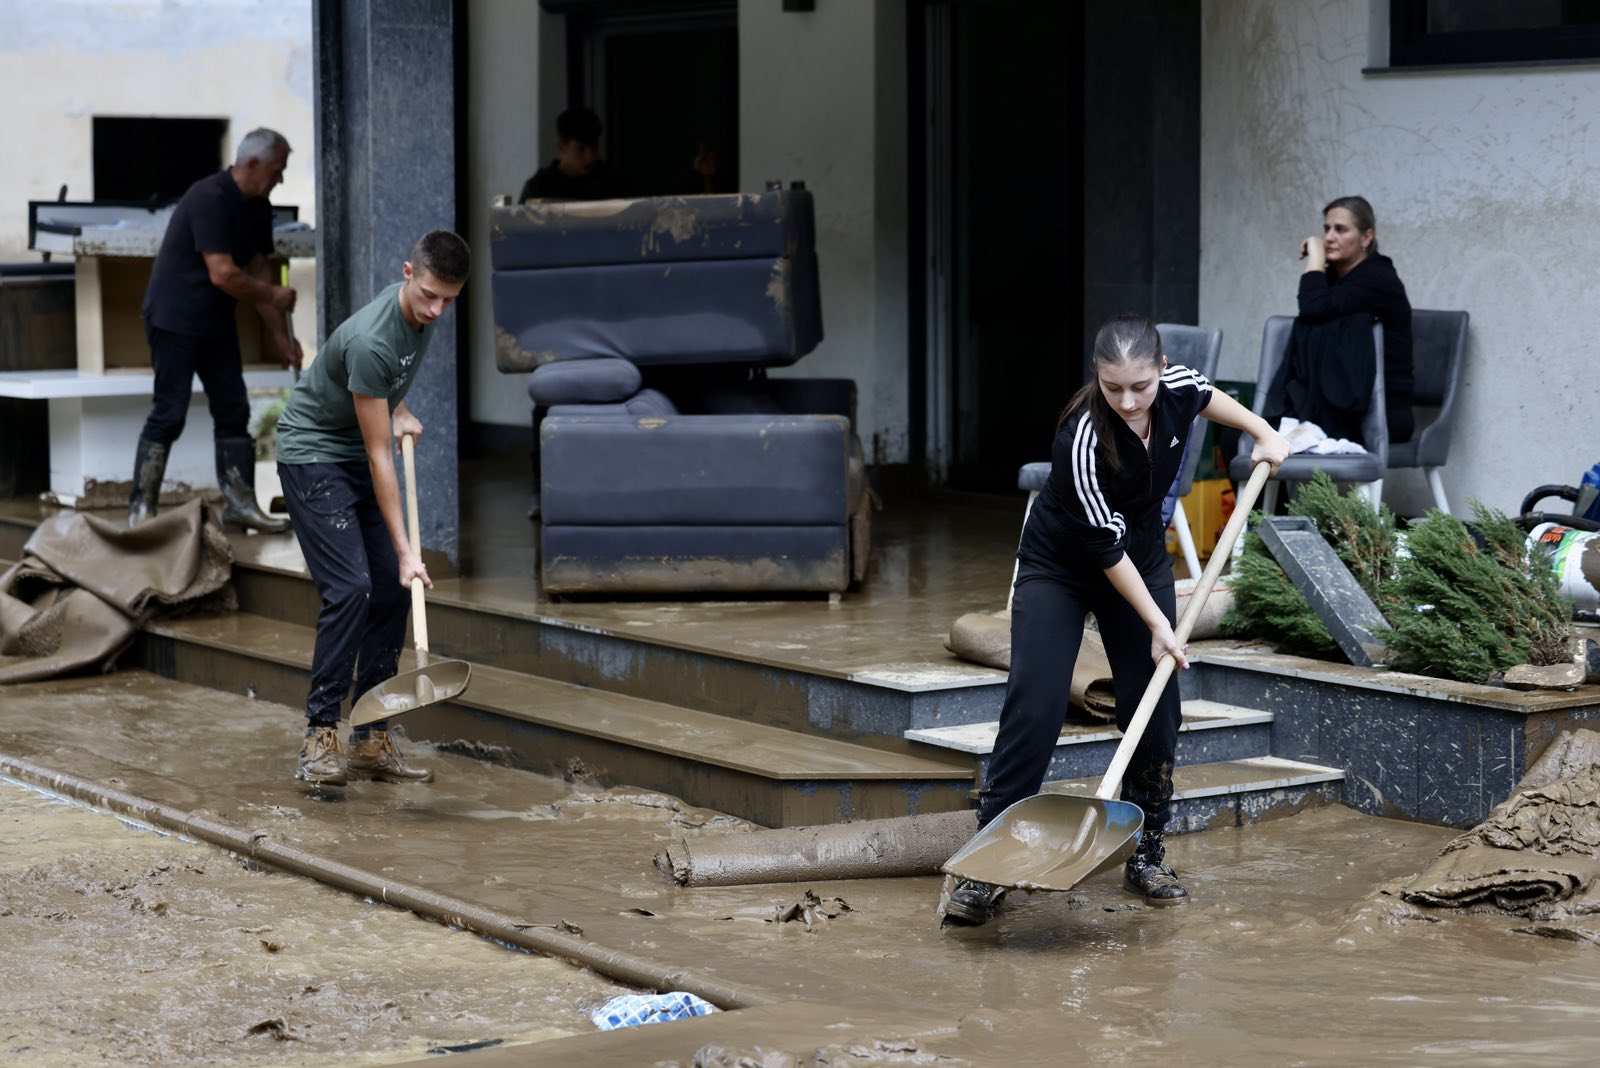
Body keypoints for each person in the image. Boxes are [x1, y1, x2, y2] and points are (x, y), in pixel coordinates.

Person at [942, 316, 1290, 926]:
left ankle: (1147, 850)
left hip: (1144, 554)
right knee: (1037, 699)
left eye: (1140, 387)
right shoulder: (1079, 437)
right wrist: (1161, 622)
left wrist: (1263, 432)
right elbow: (1104, 550)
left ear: (1159, 369)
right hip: (1063, 565)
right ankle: (985, 863)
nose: (1128, 401)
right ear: (1096, 378)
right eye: (1113, 388)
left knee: (1156, 703)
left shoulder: (1178, 386)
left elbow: (1208, 398)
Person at [273, 229, 471, 789]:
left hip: (352, 446)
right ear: (409, 272)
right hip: (313, 456)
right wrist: (409, 549)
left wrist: (398, 407)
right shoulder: (372, 339)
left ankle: (370, 735)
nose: (436, 310)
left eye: (448, 300)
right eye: (429, 294)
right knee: (352, 588)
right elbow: (379, 457)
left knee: (387, 586)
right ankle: (319, 735)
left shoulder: (417, 317)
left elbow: (388, 383)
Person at [130, 127, 302, 532]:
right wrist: (274, 296)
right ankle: (141, 509)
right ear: (252, 164)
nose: (280, 178)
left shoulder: (257, 206)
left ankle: (240, 504)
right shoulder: (209, 198)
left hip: (214, 321)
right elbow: (224, 273)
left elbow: (259, 267)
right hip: (174, 318)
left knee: (233, 409)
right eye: (277, 169)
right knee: (169, 411)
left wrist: (281, 335)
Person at [1264, 195, 1414, 447]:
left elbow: (1312, 307)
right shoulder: (1334, 279)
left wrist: (1315, 257)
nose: (1329, 237)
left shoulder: (1378, 277)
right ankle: (1276, 488)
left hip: (1378, 412)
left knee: (1278, 443)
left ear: (1366, 238)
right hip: (1333, 407)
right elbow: (1314, 312)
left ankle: (1289, 485)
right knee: (1242, 439)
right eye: (1326, 229)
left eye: (1340, 229)